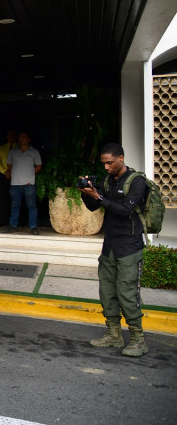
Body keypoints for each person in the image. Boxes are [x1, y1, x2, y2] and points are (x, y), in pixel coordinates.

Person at [79, 143, 148, 357]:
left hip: (129, 246)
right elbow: (94, 206)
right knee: (107, 292)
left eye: (110, 162)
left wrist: (99, 197)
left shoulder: (137, 182)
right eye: (104, 163)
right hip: (109, 246)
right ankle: (114, 335)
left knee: (126, 294)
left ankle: (138, 340)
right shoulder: (108, 181)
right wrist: (86, 192)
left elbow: (124, 210)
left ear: (121, 158)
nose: (107, 167)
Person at [5, 132, 42, 235]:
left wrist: (28, 173)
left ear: (29, 139)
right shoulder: (13, 152)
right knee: (14, 206)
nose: (21, 139)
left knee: (31, 206)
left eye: (23, 137)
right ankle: (13, 225)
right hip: (15, 183)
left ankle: (33, 226)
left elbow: (38, 166)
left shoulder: (34, 152)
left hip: (29, 184)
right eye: (20, 137)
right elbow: (9, 165)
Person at [0, 130, 16, 226]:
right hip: (4, 176)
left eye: (12, 135)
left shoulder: (18, 148)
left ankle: (16, 221)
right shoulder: (2, 148)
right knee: (4, 199)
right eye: (9, 135)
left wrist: (12, 172)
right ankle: (3, 220)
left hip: (17, 176)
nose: (10, 137)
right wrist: (5, 171)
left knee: (16, 199)